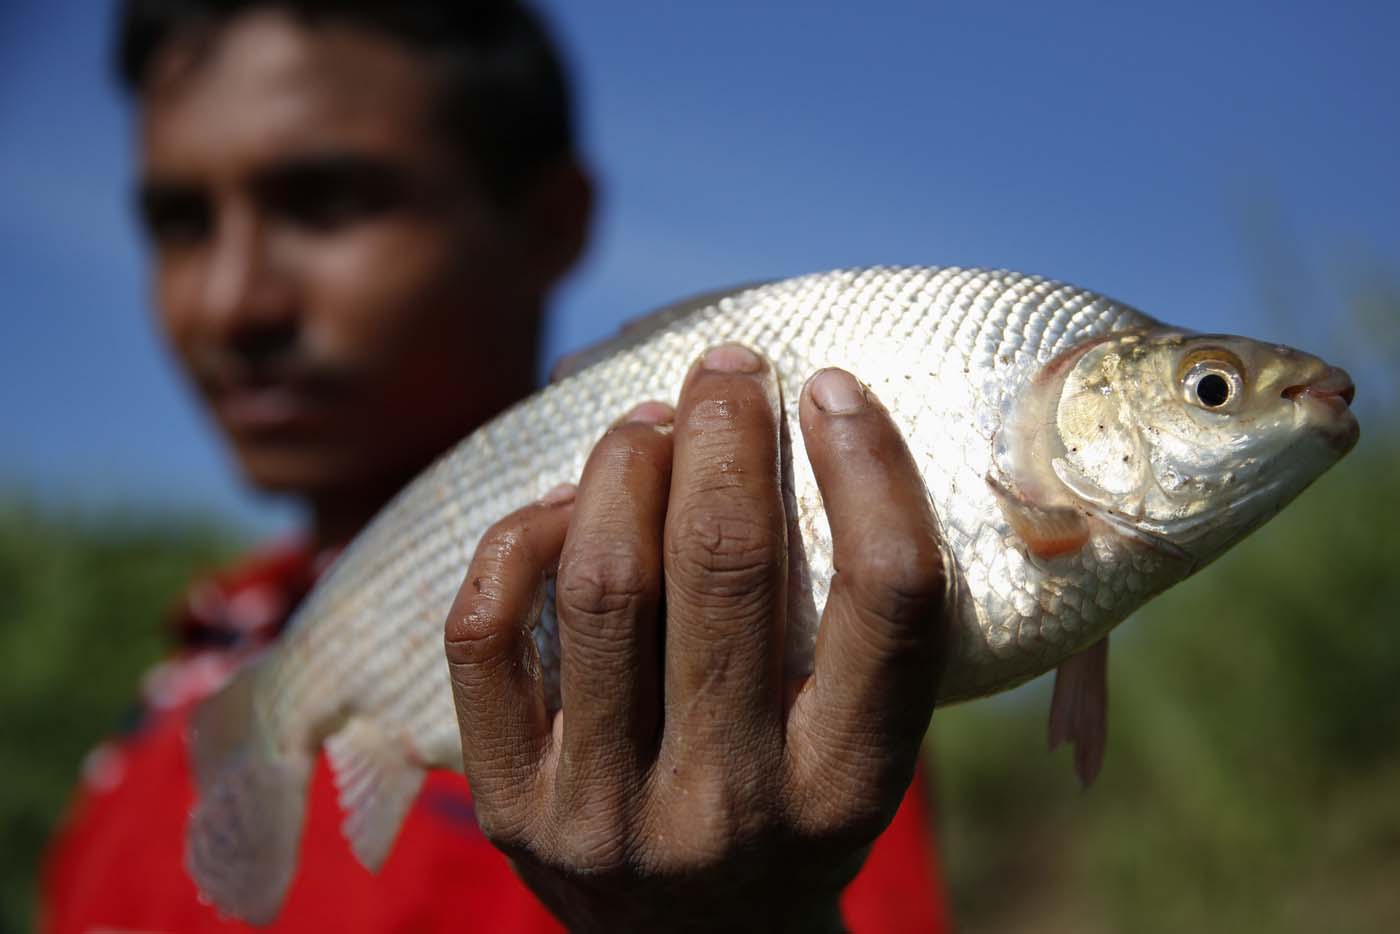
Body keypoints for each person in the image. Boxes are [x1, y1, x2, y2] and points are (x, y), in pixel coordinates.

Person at [42, 1, 951, 930]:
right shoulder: (182, 690)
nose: (234, 301)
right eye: (180, 223)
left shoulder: (738, 667)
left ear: (551, 224)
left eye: (326, 202)